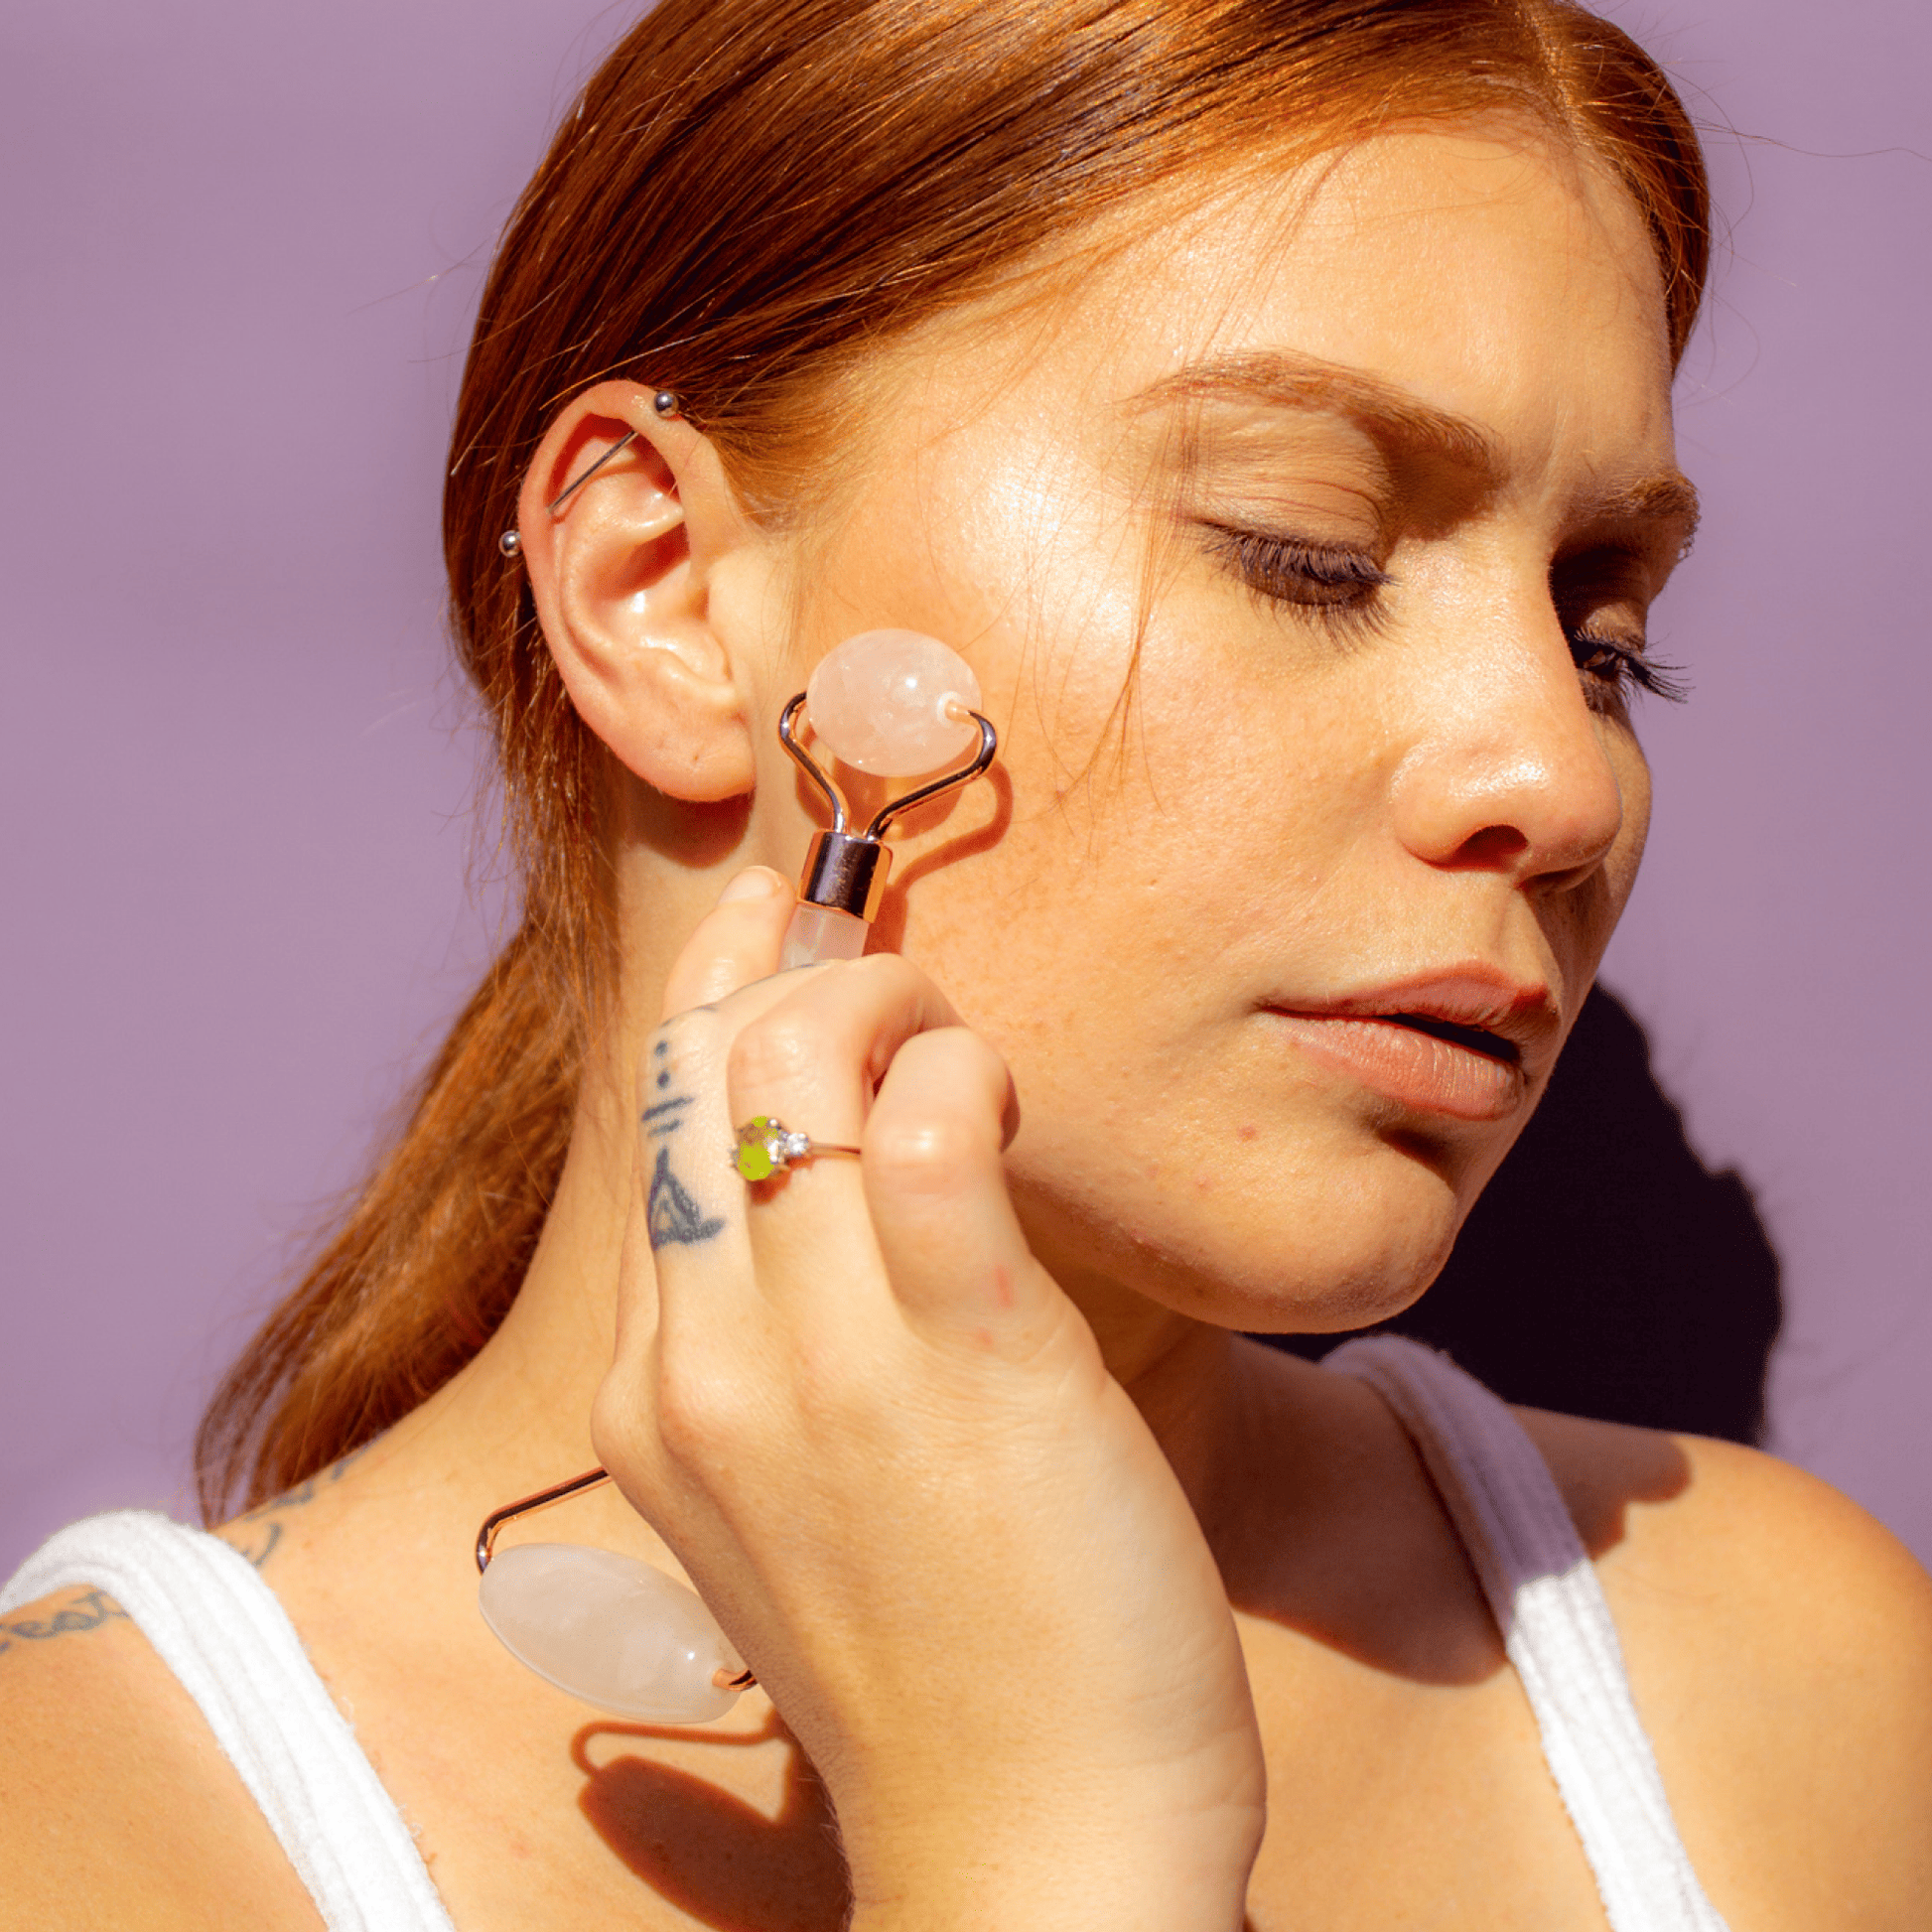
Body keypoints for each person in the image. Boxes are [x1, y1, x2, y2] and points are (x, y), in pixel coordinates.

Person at [3, 0, 1927, 1924]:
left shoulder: (1779, 1701)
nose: (1556, 776)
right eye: (1308, 547)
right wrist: (1046, 1848)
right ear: (656, 594)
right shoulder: (90, 1837)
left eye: (1602, 637)